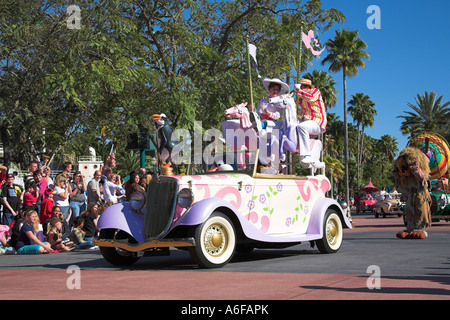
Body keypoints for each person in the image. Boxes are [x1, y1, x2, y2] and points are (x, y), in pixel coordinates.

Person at [295, 78, 327, 164]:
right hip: (308, 122)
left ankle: (306, 154)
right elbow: (302, 110)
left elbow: (311, 98)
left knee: (302, 127)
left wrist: (298, 91)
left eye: (306, 86)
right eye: (303, 86)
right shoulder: (302, 98)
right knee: (293, 126)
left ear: (310, 87)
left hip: (318, 122)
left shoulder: (315, 92)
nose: (305, 88)